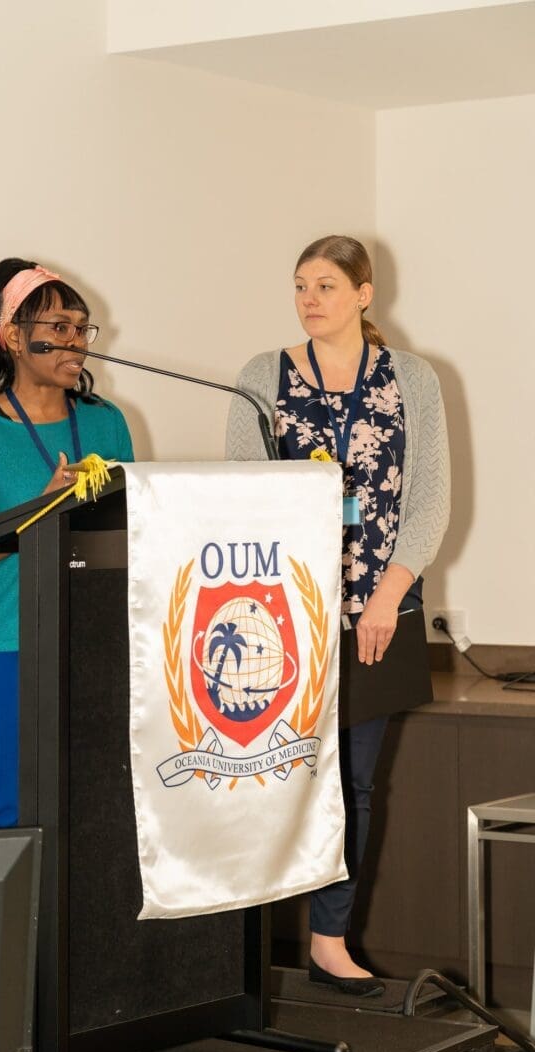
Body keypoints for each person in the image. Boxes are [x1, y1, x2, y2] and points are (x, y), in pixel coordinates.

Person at [226, 235, 450, 996]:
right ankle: (248, 943)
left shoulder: (411, 379)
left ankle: (329, 939)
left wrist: (387, 597)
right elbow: (245, 492)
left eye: (326, 284)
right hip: (285, 612)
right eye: (299, 285)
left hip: (381, 611)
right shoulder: (265, 376)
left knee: (353, 782)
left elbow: (429, 501)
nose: (309, 298)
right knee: (269, 773)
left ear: (364, 293)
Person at [0, 258, 134, 830]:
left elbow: (129, 531)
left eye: (81, 328)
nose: (76, 342)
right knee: (2, 812)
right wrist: (47, 507)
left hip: (95, 641)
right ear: (13, 337)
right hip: (3, 647)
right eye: (58, 329)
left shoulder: (107, 423)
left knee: (97, 811)